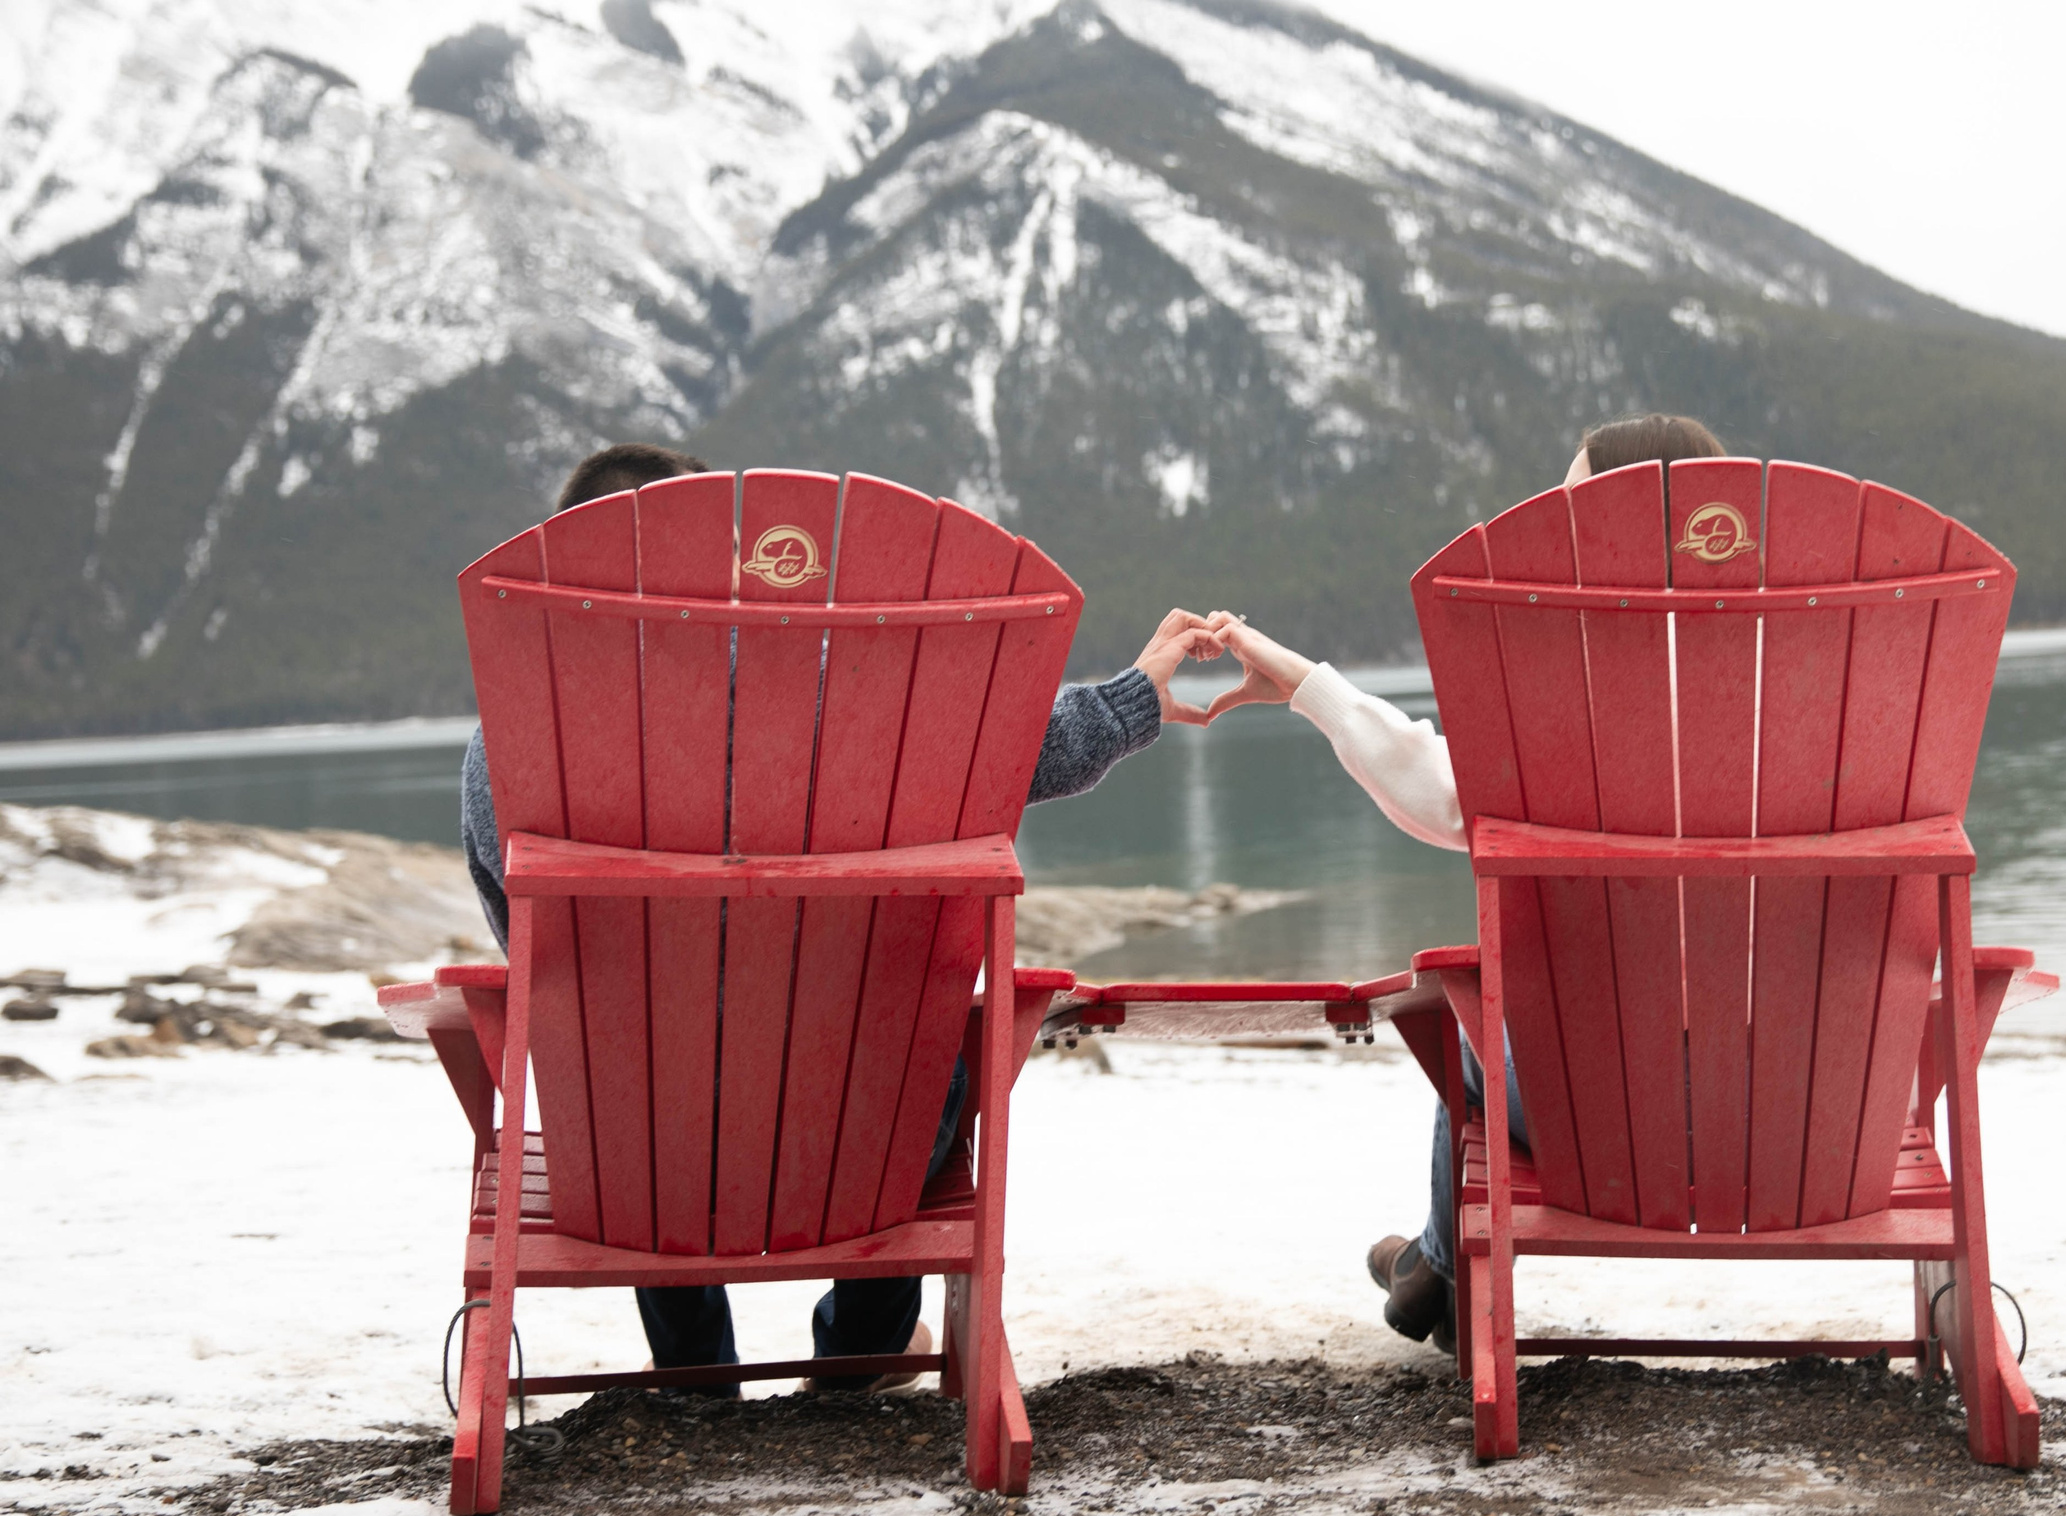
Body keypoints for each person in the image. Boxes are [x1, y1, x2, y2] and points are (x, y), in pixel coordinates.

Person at [459, 442, 1223, 1393]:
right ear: (723, 558)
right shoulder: (840, 698)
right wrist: (1136, 693)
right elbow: (1013, 750)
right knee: (924, 1029)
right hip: (858, 1153)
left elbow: (519, 938)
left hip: (636, 1170)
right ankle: (864, 1340)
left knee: (622, 1041)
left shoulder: (505, 745)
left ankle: (694, 1363)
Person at [1200, 413, 1727, 1352]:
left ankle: (1437, 1267)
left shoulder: (1577, 695)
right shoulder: (1819, 702)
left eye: (1570, 513)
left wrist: (1309, 689)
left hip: (1601, 1125)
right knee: (1504, 1015)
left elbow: (1449, 796)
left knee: (1478, 1014)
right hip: (1803, 1121)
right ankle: (1432, 1267)